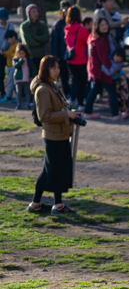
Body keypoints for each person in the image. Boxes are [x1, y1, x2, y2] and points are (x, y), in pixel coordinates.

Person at [28, 56, 80, 215]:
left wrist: (71, 116)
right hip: (53, 136)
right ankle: (36, 203)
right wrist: (66, 115)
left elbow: (58, 109)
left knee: (57, 171)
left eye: (57, 67)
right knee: (49, 171)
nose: (57, 71)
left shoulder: (52, 85)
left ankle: (56, 205)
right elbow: (44, 116)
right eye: (53, 68)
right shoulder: (43, 89)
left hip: (61, 134)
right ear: (45, 69)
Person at [84, 18, 120, 120]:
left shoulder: (93, 37)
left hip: (94, 69)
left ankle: (87, 112)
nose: (105, 27)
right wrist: (112, 69)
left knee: (95, 90)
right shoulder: (100, 40)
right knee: (111, 90)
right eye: (102, 25)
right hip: (101, 70)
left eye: (106, 24)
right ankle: (115, 114)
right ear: (97, 27)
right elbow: (104, 58)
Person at [64, 7, 90, 111]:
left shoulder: (67, 29)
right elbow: (89, 41)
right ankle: (84, 102)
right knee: (84, 82)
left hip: (71, 60)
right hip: (82, 60)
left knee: (77, 82)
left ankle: (79, 103)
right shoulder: (82, 30)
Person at [105, 48, 129, 120]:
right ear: (113, 54)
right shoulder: (110, 60)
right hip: (117, 82)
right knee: (120, 96)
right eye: (117, 56)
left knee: (126, 96)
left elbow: (110, 73)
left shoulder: (119, 64)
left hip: (122, 80)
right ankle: (126, 111)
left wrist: (103, 68)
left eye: (121, 57)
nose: (118, 58)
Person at [49, 0, 72, 99]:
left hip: (73, 55)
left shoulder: (74, 23)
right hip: (62, 55)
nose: (67, 12)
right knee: (64, 76)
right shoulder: (58, 24)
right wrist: (56, 56)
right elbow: (55, 41)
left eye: (69, 10)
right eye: (65, 10)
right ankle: (66, 94)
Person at [20, 4, 50, 75]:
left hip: (41, 55)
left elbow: (46, 37)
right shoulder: (24, 26)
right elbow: (28, 41)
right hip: (29, 56)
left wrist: (34, 38)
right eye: (33, 12)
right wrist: (40, 41)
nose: (36, 13)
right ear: (28, 13)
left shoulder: (42, 25)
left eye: (37, 12)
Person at [12, 44, 33, 109]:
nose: (21, 55)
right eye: (19, 53)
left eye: (23, 53)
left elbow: (32, 69)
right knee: (19, 93)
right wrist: (21, 60)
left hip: (26, 79)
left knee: (27, 93)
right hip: (18, 79)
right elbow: (16, 66)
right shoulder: (15, 59)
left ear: (25, 53)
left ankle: (28, 104)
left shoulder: (29, 60)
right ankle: (19, 105)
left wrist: (32, 77)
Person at [3, 29, 18, 102]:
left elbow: (16, 55)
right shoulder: (11, 46)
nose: (8, 41)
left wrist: (7, 53)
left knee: (11, 82)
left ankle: (8, 96)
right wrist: (5, 54)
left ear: (13, 37)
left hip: (13, 67)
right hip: (9, 66)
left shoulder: (17, 46)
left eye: (8, 39)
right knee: (11, 81)